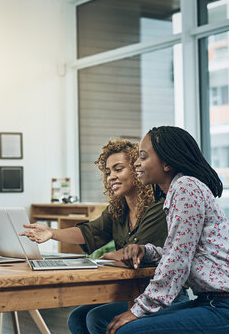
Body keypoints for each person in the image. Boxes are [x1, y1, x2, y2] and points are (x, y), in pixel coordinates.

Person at [20, 139, 177, 334]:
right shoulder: (118, 210)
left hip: (161, 294)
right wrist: (51, 233)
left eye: (118, 169)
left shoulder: (159, 207)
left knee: (96, 318)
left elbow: (133, 252)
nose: (111, 177)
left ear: (138, 170)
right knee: (76, 318)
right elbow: (90, 232)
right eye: (108, 172)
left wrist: (115, 255)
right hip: (130, 290)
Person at [106, 126, 229, 334]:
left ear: (167, 163)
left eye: (143, 157)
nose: (136, 163)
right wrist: (147, 251)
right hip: (210, 301)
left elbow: (178, 260)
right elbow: (183, 251)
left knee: (128, 330)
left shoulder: (185, 187)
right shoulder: (177, 191)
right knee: (102, 322)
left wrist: (139, 309)